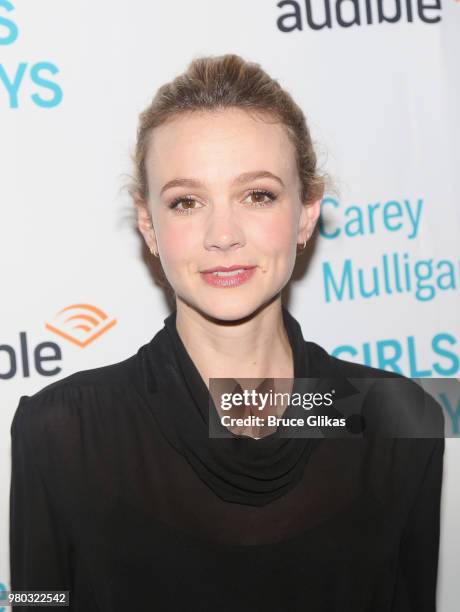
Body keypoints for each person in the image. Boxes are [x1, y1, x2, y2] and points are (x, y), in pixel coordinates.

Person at [9, 54, 445, 611]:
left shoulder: (398, 421)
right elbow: (35, 601)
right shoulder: (61, 431)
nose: (222, 235)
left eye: (257, 194)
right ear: (149, 224)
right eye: (186, 202)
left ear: (307, 211)